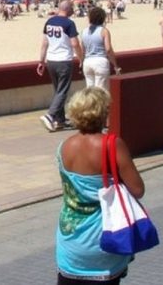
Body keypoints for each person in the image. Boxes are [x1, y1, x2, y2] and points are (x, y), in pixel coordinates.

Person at [55, 86, 144, 284]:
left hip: (70, 241)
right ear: (102, 113)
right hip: (103, 239)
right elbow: (138, 189)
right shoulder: (112, 144)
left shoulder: (63, 147)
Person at [36, 0, 84, 132]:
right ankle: (50, 115)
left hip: (51, 60)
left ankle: (60, 120)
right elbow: (75, 44)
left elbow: (44, 43)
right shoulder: (69, 23)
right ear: (68, 9)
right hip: (64, 60)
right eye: (72, 8)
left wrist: (41, 61)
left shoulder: (49, 22)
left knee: (58, 91)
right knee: (62, 91)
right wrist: (81, 58)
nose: (74, 10)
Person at [81, 7, 120, 91]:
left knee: (90, 91)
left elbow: (83, 50)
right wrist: (115, 65)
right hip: (100, 61)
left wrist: (81, 61)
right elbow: (108, 49)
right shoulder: (104, 31)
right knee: (101, 91)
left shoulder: (84, 31)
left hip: (87, 62)